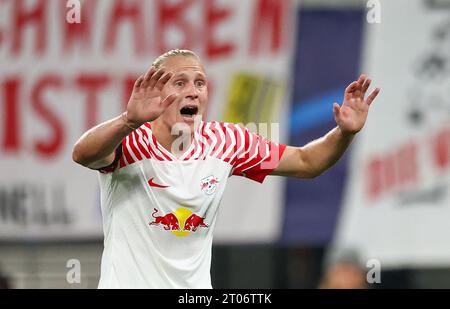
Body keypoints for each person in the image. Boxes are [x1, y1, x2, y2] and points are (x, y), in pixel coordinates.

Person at [72, 49, 380, 288]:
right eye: (180, 83)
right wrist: (128, 120)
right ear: (157, 92)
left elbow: (307, 162)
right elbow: (82, 154)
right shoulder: (132, 141)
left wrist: (344, 133)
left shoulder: (226, 141)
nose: (193, 91)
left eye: (200, 83)